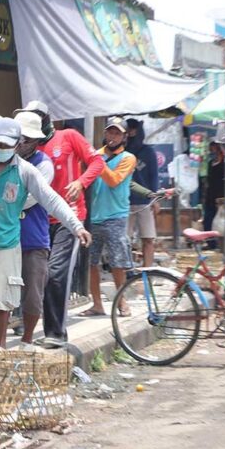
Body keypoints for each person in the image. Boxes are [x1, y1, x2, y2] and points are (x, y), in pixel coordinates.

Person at [0, 118, 91, 374]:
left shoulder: (26, 171)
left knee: (0, 301)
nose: (1, 149)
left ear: (17, 145)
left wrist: (76, 226)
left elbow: (52, 200)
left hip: (6, 242)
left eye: (6, 145)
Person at [16, 101, 105, 347]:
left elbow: (97, 162)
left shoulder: (69, 136)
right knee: (35, 274)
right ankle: (24, 321)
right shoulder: (27, 148)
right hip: (40, 219)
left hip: (69, 215)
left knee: (56, 273)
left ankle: (56, 332)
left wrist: (81, 182)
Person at [81, 117, 137, 318]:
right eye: (110, 132)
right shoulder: (97, 154)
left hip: (116, 216)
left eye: (117, 133)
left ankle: (121, 301)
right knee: (91, 262)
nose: (112, 136)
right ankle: (97, 304)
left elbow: (114, 181)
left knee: (117, 262)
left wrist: (97, 161)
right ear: (105, 133)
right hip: (94, 216)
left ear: (124, 136)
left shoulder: (128, 158)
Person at [12, 111, 54, 345]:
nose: (20, 143)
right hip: (5, 236)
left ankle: (27, 340)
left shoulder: (43, 165)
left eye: (25, 139)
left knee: (32, 295)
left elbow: (30, 199)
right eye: (18, 138)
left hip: (32, 238)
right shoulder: (3, 160)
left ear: (36, 141)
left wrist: (3, 201)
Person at [125, 118, 159, 267]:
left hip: (145, 202)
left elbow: (154, 176)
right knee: (124, 240)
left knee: (148, 238)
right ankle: (127, 270)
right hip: (124, 202)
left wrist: (155, 199)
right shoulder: (121, 151)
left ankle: (148, 270)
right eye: (129, 129)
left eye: (134, 129)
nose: (131, 132)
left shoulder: (148, 152)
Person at [203, 141, 225, 250]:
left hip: (221, 196)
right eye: (210, 149)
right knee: (208, 220)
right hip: (210, 195)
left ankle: (222, 244)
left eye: (213, 149)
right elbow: (209, 180)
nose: (212, 152)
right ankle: (210, 243)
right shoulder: (210, 163)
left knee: (221, 221)